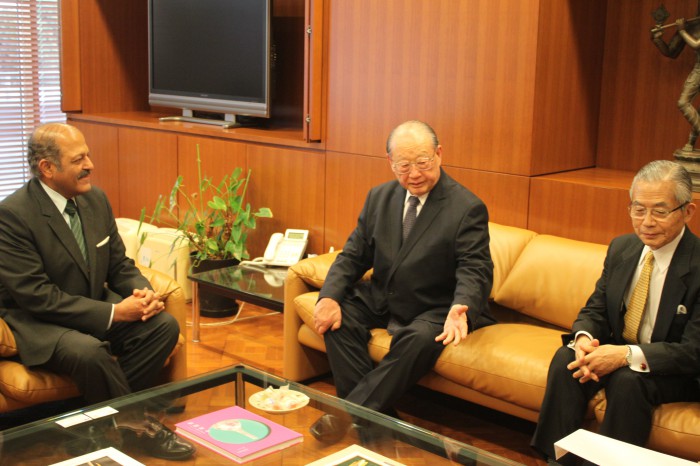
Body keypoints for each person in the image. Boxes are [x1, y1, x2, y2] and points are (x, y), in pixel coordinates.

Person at [0, 123, 194, 460]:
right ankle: (136, 425)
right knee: (88, 352)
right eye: (78, 160)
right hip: (39, 320)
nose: (90, 165)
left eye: (87, 155)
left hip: (91, 304)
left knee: (163, 327)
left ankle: (90, 423)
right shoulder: (13, 216)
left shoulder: (96, 199)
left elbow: (118, 264)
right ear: (47, 168)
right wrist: (115, 312)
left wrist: (143, 293)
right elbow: (37, 296)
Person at [310, 120, 495, 443]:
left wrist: (462, 305)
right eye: (403, 166)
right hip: (384, 296)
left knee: (420, 338)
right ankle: (378, 424)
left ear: (439, 154)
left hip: (436, 305)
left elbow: (475, 267)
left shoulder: (466, 207)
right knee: (337, 318)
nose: (414, 174)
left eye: (422, 162)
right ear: (390, 162)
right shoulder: (379, 197)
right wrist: (328, 297)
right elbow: (353, 255)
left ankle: (346, 414)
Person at [531, 160, 700, 465]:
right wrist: (584, 338)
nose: (647, 222)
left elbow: (692, 351)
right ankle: (555, 458)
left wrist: (625, 356)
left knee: (628, 380)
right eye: (638, 209)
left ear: (687, 212)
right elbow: (596, 308)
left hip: (678, 370)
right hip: (621, 350)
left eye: (660, 212)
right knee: (567, 359)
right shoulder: (622, 248)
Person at [652, 15, 700, 152]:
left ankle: (690, 142)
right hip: (698, 69)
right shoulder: (690, 25)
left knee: (689, 105)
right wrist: (657, 38)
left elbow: (696, 44)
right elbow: (671, 52)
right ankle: (691, 142)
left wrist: (682, 30)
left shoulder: (685, 27)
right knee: (683, 103)